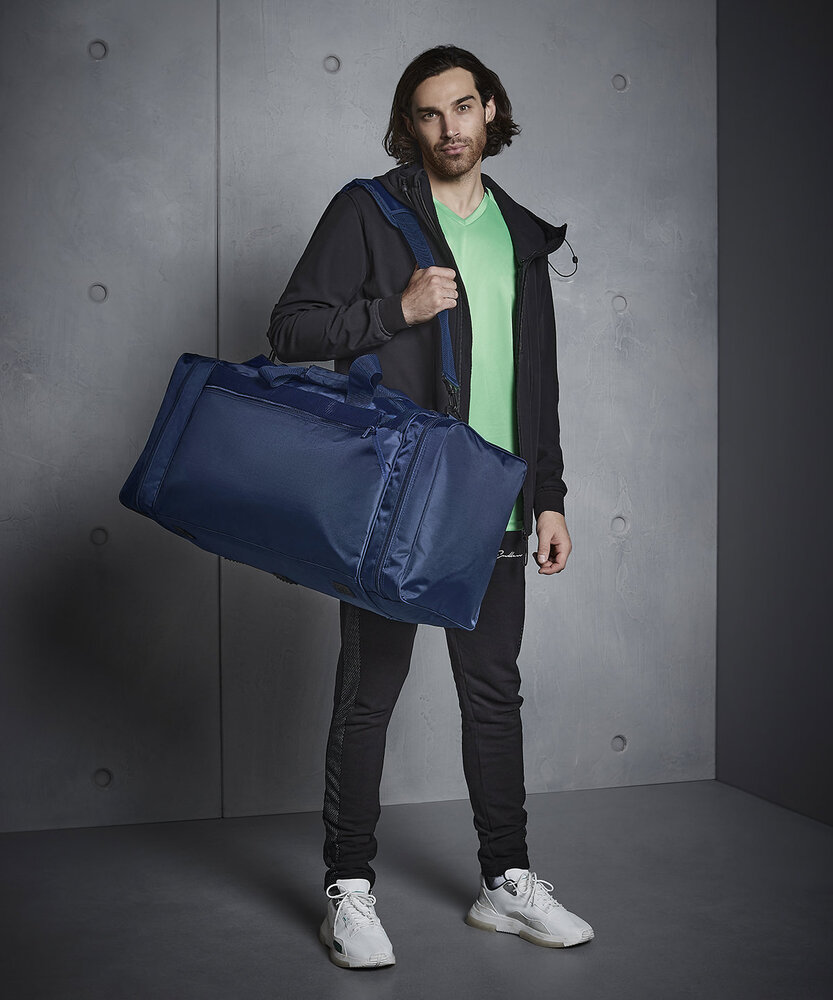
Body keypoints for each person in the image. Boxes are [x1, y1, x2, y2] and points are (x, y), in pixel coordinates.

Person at [267, 44, 593, 969]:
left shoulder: (520, 233)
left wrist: (549, 497)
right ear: (407, 126)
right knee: (369, 695)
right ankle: (348, 889)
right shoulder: (369, 212)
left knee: (493, 695)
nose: (449, 128)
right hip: (398, 498)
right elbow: (288, 330)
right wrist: (393, 312)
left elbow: (537, 384)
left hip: (494, 503)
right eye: (428, 112)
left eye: (463, 106)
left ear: (490, 110)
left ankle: (505, 881)